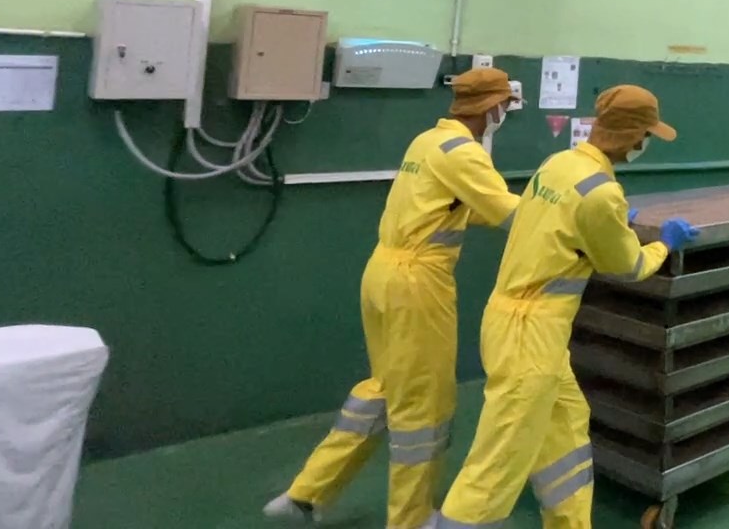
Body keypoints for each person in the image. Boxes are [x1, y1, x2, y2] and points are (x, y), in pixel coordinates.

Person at [430, 85, 700, 529]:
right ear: (634, 136)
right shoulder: (602, 193)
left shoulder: (559, 164)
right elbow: (628, 265)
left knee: (566, 437)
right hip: (531, 337)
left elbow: (560, 220)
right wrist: (664, 245)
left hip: (522, 327)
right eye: (646, 135)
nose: (644, 143)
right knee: (496, 464)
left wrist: (614, 222)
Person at [265, 67, 523, 528]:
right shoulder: (464, 153)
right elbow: (511, 215)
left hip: (383, 273)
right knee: (425, 405)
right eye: (505, 104)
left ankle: (307, 492)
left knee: (384, 388)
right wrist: (570, 216)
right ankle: (411, 519)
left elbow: (452, 209)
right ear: (490, 107)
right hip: (418, 285)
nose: (505, 112)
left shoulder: (427, 142)